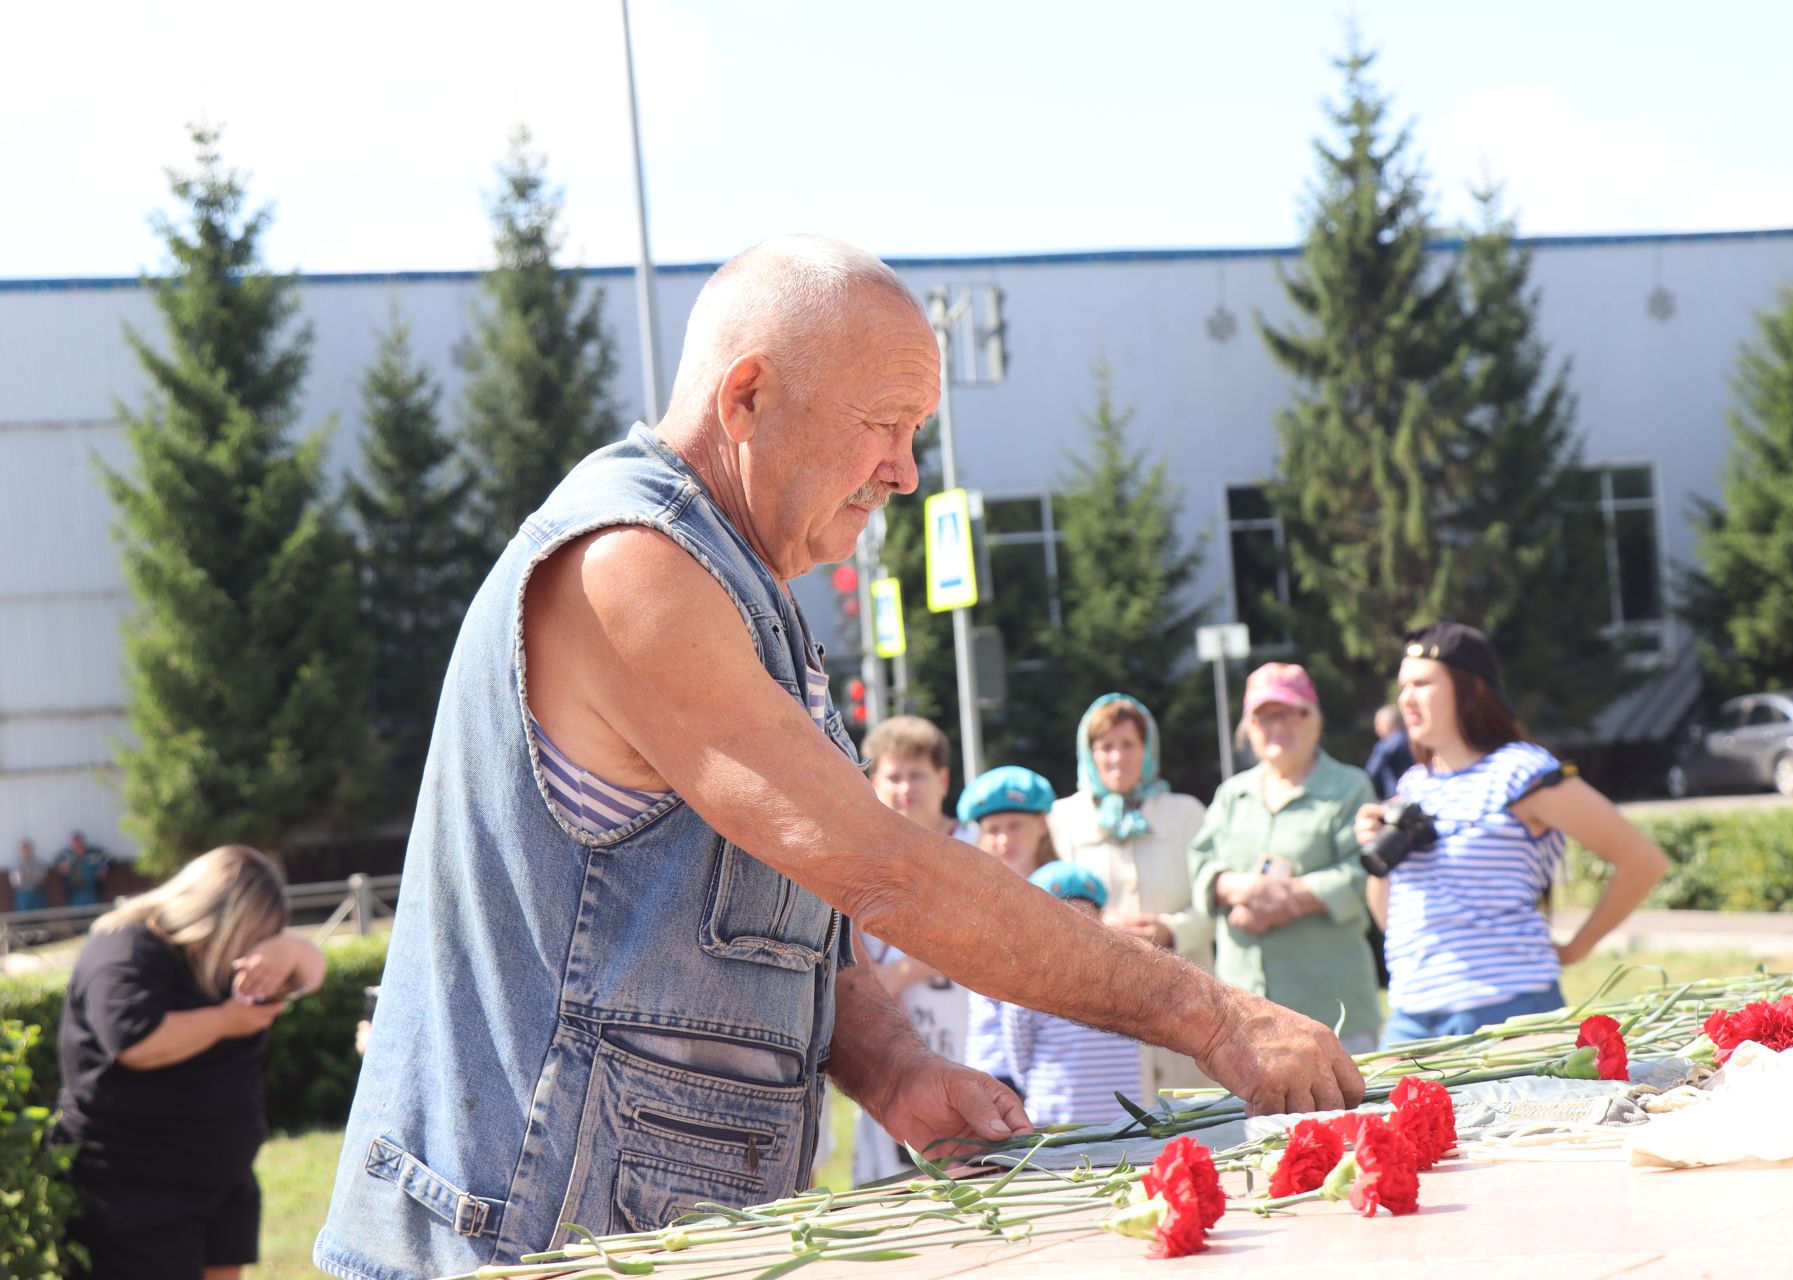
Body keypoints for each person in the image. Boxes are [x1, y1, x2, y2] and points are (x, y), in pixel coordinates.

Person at [317, 236, 1358, 1280]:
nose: (905, 471)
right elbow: (881, 867)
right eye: (885, 424)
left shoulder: (740, 584)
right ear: (750, 395)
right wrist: (1210, 1012)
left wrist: (894, 1064)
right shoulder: (629, 567)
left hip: (613, 1228)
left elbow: (794, 908)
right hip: (513, 1242)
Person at [1360, 622, 1669, 1045]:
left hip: (1507, 1013)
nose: (1406, 699)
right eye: (1403, 686)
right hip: (1411, 1015)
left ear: (1471, 689)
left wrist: (1576, 949)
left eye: (1423, 683)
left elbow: (1643, 861)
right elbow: (1391, 918)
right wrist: (1375, 852)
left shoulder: (1522, 773)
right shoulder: (1414, 784)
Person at [55, 844, 327, 1279]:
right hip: (135, 1190)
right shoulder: (126, 947)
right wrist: (226, 1020)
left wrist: (290, 951)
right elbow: (134, 1041)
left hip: (217, 1180)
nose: (254, 949)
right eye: (255, 933)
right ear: (220, 919)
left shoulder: (222, 958)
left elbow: (313, 973)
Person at [1191, 664, 1383, 1051]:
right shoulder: (1232, 795)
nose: (1276, 726)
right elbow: (1200, 863)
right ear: (1248, 729)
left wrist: (1287, 900)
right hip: (1243, 1011)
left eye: (1288, 713)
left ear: (1314, 719)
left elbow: (1361, 870)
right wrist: (1238, 887)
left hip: (1331, 1009)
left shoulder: (1348, 787)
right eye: (1263, 717)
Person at [1048, 692, 1213, 1094]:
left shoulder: (1186, 814)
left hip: (1185, 997)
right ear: (1089, 754)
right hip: (1106, 1003)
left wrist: (1170, 930)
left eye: (1128, 744)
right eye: (1105, 747)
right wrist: (1102, 929)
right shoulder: (1062, 819)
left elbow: (1211, 904)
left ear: (1147, 749)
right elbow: (1049, 901)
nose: (1117, 757)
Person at [850, 716, 978, 1185]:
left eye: (917, 775)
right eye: (893, 776)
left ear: (943, 779)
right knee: (890, 1191)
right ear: (872, 782)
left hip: (965, 1041)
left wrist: (900, 974)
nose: (906, 788)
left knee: (973, 1176)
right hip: (889, 1052)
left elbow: (980, 936)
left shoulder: (975, 846)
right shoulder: (852, 857)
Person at [968, 863, 1143, 1128]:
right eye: (1060, 923)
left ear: (1101, 920)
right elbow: (1019, 1052)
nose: (1072, 935)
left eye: (1084, 921)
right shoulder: (1026, 987)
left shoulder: (1125, 981)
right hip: (1054, 1122)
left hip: (1124, 1123)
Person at [955, 765, 1060, 1095]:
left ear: (1042, 824)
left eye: (1015, 826)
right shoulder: (972, 898)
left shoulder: (1068, 894)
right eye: (992, 829)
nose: (1003, 839)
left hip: (1054, 1064)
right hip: (993, 1061)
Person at [1363, 704, 1415, 801]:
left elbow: (1370, 774)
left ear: (1390, 723)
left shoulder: (1385, 745)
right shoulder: (1415, 739)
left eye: (1378, 724)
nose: (1376, 730)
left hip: (1396, 799)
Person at [10, 837, 48, 912]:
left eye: (27, 848)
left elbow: (41, 877)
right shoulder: (16, 864)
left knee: (38, 916)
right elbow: (15, 881)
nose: (26, 851)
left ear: (31, 849)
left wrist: (30, 874)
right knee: (24, 917)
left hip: (36, 892)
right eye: (23, 849)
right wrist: (26, 875)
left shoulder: (38, 862)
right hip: (23, 893)